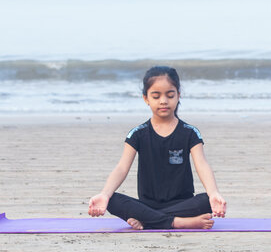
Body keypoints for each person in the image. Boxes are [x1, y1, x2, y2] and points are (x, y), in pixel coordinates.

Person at [88, 66, 226, 230]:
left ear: (178, 96)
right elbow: (122, 167)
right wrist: (104, 194)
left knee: (206, 200)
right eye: (156, 96)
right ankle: (177, 222)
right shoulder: (137, 134)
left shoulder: (190, 132)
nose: (163, 101)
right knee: (112, 200)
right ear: (146, 98)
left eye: (170, 95)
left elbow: (202, 165)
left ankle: (147, 221)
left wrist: (214, 193)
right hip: (147, 204)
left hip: (182, 204)